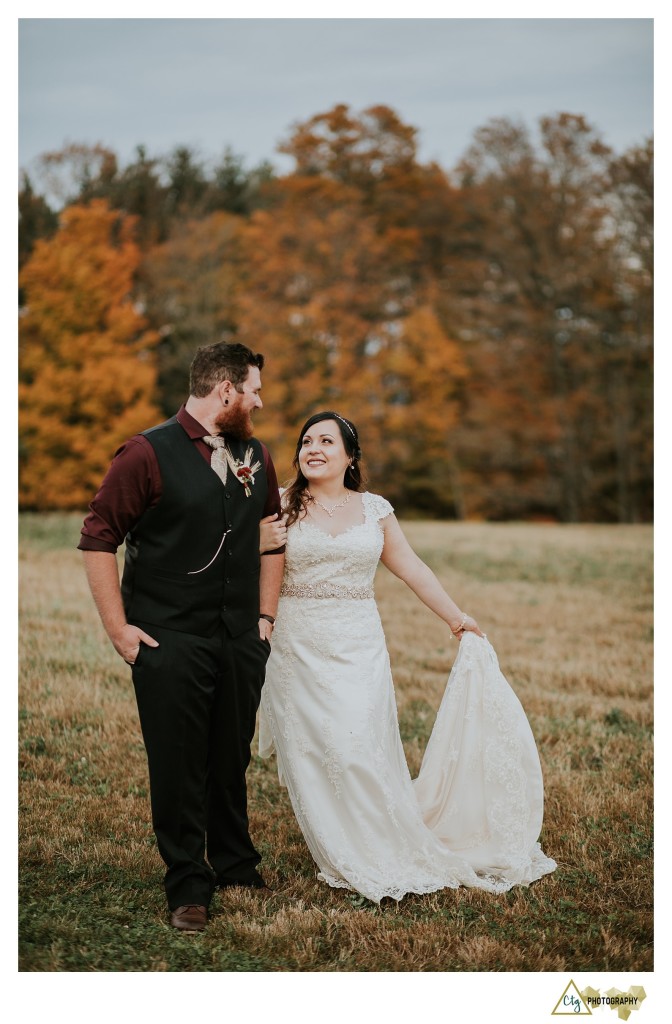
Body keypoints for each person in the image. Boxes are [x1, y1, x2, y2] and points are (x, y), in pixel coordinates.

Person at [259, 411, 557, 903]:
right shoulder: (279, 504)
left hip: (359, 644)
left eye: (326, 441)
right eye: (306, 441)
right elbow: (251, 562)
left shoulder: (375, 509)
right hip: (298, 645)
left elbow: (411, 567)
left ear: (350, 456)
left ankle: (379, 837)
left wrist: (456, 617)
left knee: (360, 743)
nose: (312, 449)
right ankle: (343, 846)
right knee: (320, 750)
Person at [79, 342, 285, 932]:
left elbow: (272, 537)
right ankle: (188, 883)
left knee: (230, 753)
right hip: (168, 638)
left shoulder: (255, 455)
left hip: (239, 637)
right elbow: (98, 539)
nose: (259, 402)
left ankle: (236, 863)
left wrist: (264, 619)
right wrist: (119, 629)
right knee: (178, 762)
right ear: (226, 390)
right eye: (254, 391)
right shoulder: (145, 453)